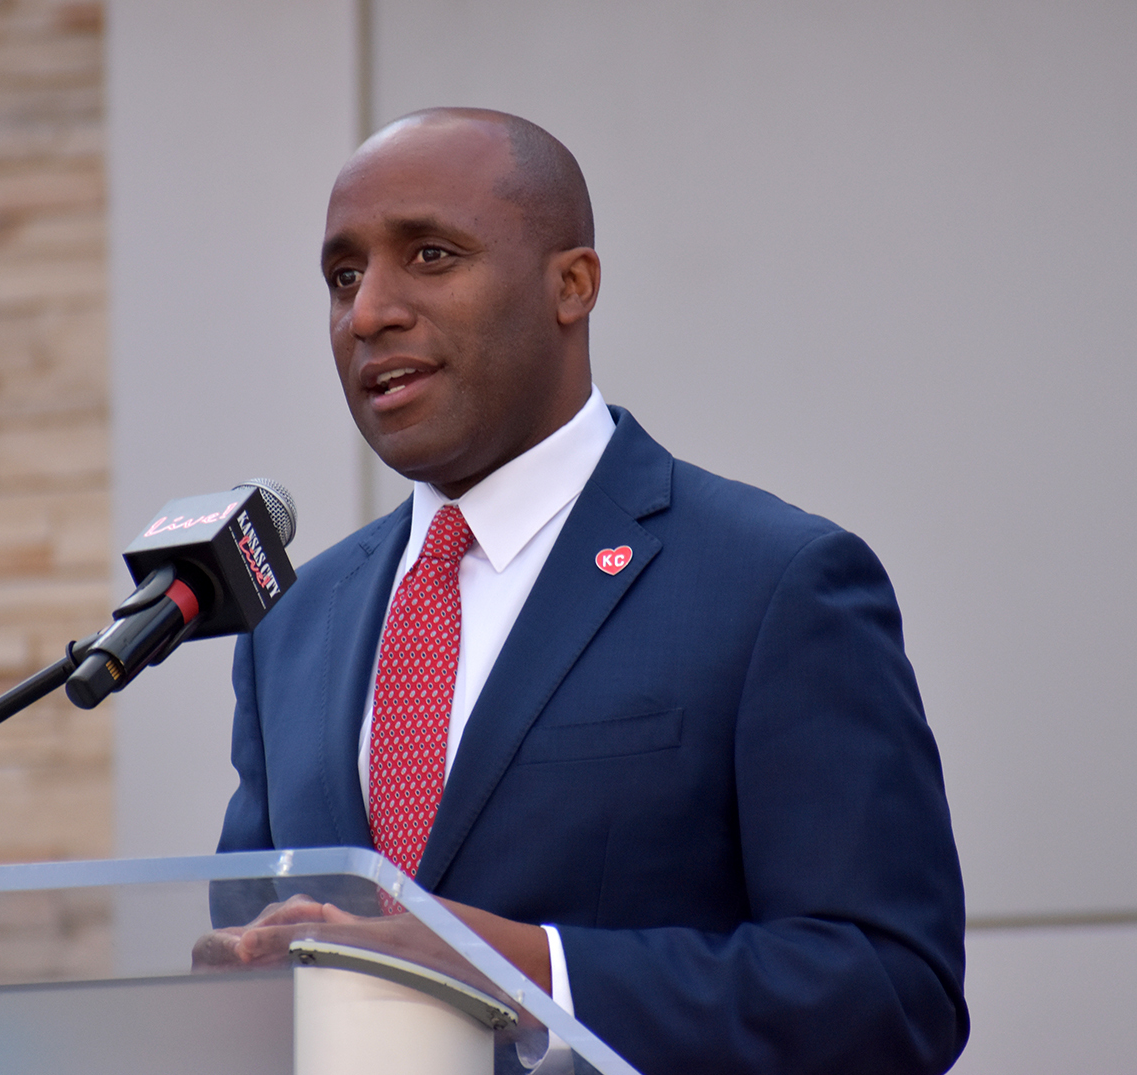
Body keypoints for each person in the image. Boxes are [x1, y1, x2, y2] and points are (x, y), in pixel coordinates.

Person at [208, 107, 968, 1074]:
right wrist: (234, 989)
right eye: (343, 276)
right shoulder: (291, 626)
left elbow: (890, 993)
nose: (369, 312)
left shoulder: (773, 582)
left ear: (573, 285)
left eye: (432, 256)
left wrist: (528, 972)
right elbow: (262, 943)